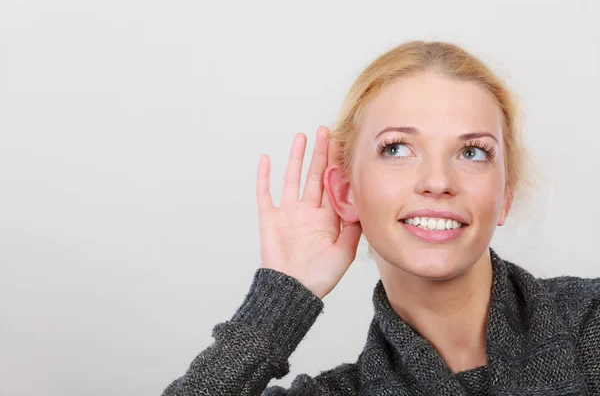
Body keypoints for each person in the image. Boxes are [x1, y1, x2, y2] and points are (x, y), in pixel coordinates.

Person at [161, 41, 600, 395]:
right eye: (397, 149)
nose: (437, 180)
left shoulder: (589, 323)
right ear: (346, 193)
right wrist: (280, 298)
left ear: (504, 195)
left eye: (472, 153)